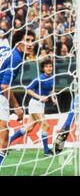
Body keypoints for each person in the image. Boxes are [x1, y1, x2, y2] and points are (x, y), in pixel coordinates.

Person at [0, 30, 35, 166]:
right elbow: (4, 86)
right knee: (3, 139)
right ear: (18, 42)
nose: (30, 44)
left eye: (32, 41)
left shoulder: (4, 49)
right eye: (27, 40)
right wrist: (17, 107)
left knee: (5, 134)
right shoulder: (16, 58)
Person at [9, 60, 57, 156]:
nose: (49, 68)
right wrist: (39, 97)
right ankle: (46, 151)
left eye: (50, 66)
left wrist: (53, 98)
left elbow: (51, 90)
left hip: (41, 105)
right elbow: (28, 90)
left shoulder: (52, 78)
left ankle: (7, 141)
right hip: (35, 104)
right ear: (43, 69)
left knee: (29, 128)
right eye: (47, 66)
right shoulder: (39, 78)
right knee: (45, 125)